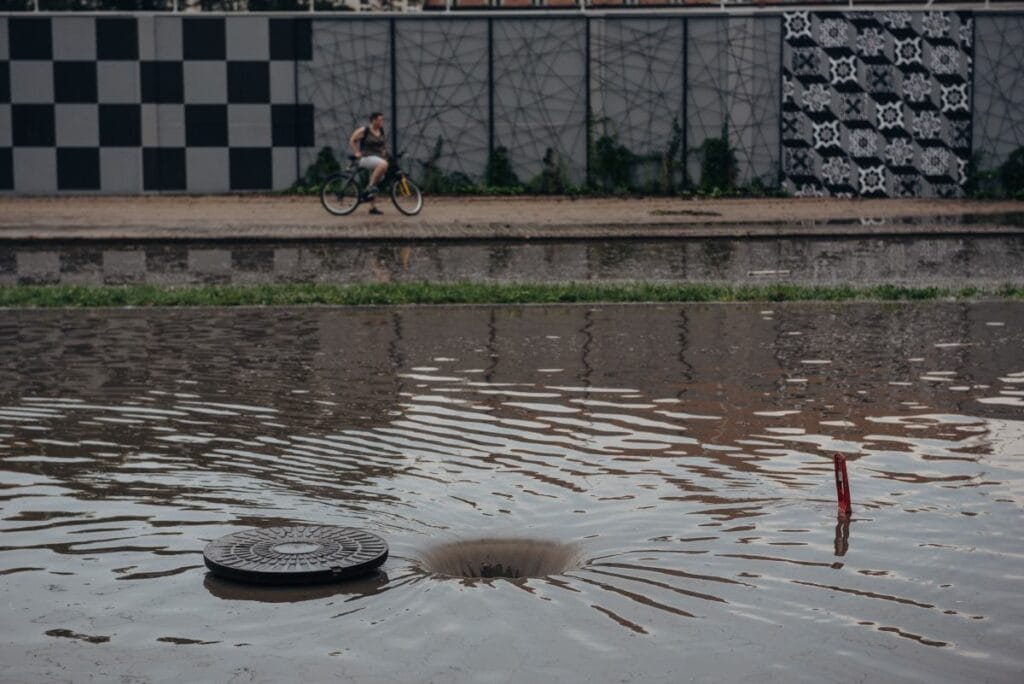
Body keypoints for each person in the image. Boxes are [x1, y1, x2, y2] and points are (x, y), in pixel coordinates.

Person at [349, 112, 389, 215]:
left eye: (382, 120)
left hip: (377, 159)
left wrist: (384, 153)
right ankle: (369, 187)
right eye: (380, 120)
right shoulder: (365, 130)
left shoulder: (381, 130)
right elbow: (352, 140)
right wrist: (356, 152)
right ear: (374, 120)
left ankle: (373, 207)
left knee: (376, 179)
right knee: (383, 166)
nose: (382, 122)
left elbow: (382, 145)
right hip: (366, 158)